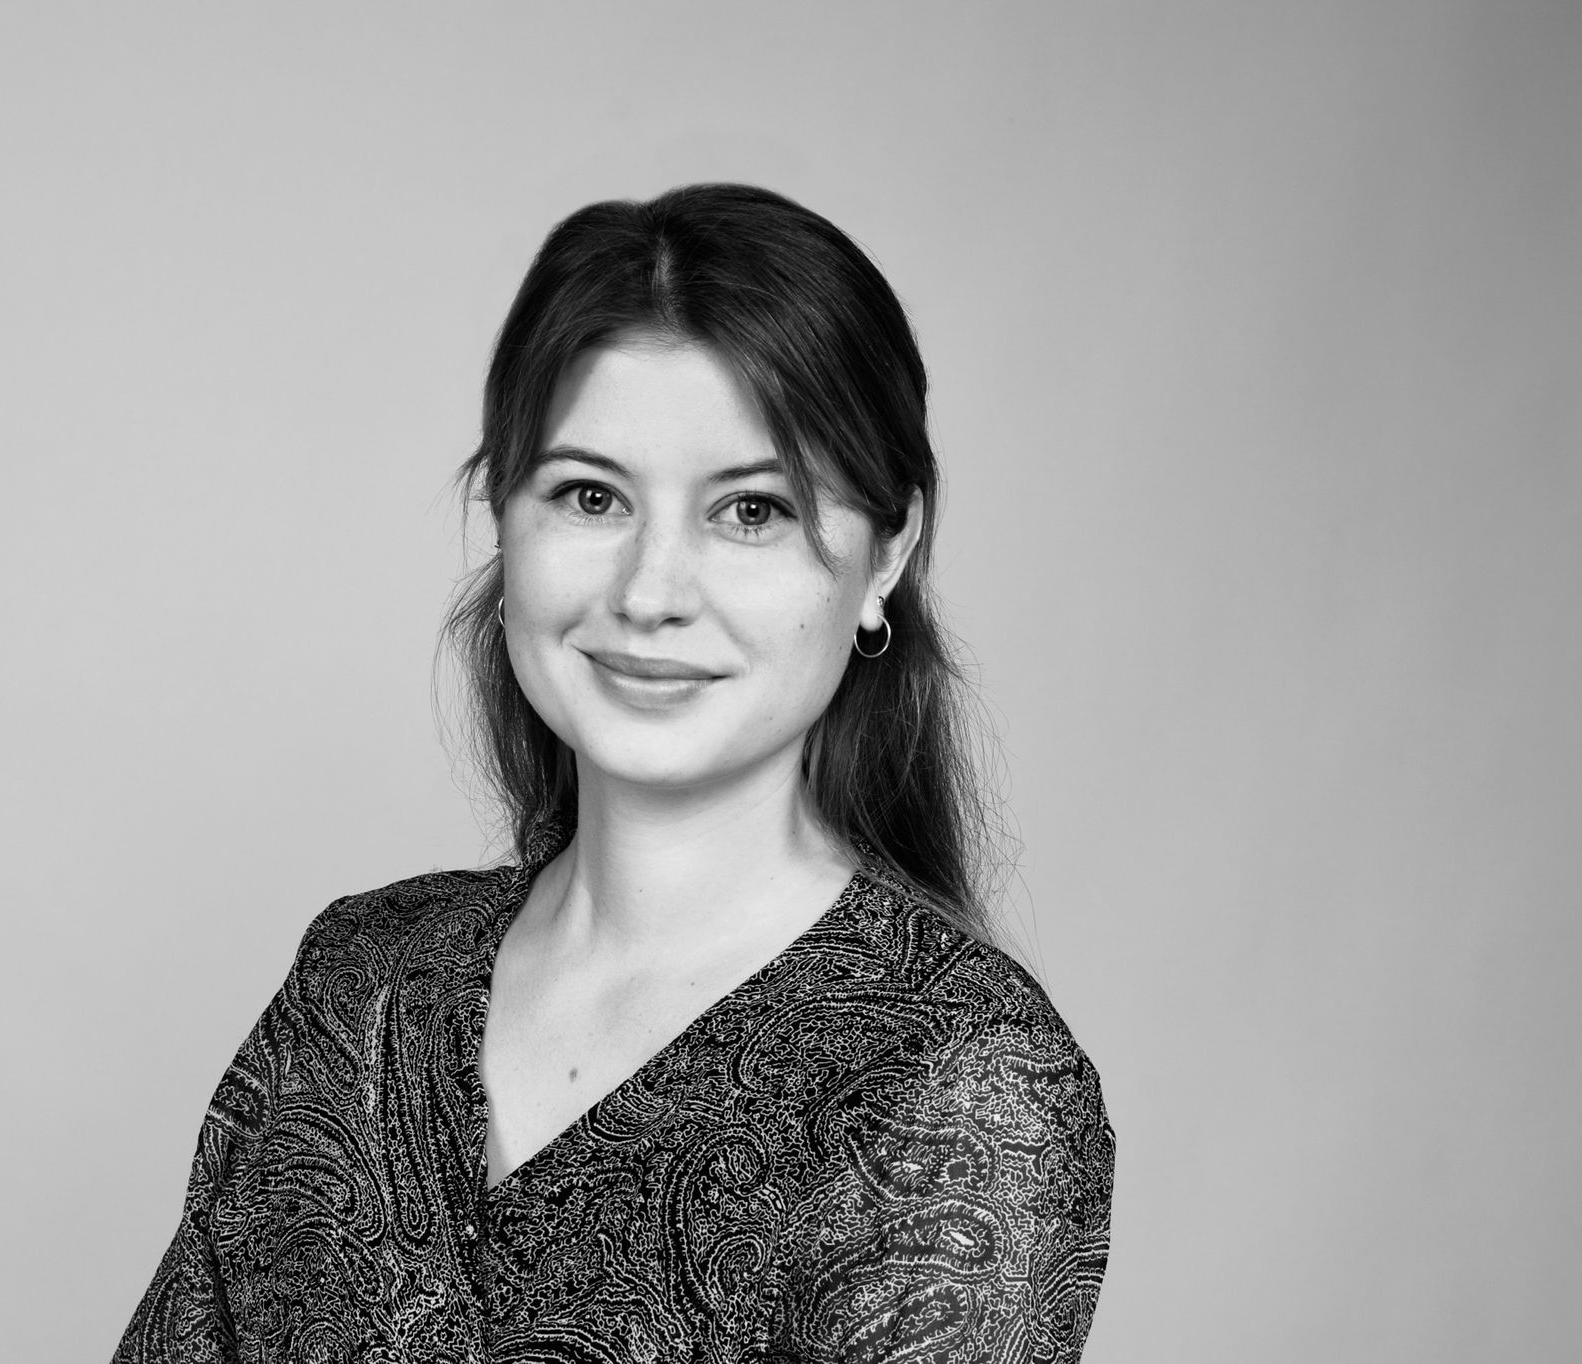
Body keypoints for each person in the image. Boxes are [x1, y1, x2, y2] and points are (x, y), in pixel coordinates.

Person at [115, 184, 1114, 1362]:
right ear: (502, 512)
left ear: (886, 550)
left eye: (751, 510)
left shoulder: (964, 1080)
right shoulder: (362, 982)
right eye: (589, 496)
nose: (649, 592)